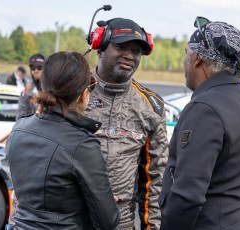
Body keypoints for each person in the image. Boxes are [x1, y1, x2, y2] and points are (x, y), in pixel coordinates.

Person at [159, 17, 240, 230]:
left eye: (186, 53)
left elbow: (187, 195)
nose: (185, 61)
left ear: (197, 58)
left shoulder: (205, 108)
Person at [5, 51, 119, 230]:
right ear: (83, 94)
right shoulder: (83, 144)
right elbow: (108, 222)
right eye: (91, 85)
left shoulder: (18, 129)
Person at [84, 18, 168, 230]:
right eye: (121, 47)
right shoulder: (73, 92)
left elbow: (155, 178)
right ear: (100, 47)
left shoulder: (151, 106)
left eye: (137, 51)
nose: (130, 56)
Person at [16, 53, 45, 120]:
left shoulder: (53, 88)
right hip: (31, 128)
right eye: (32, 67)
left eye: (39, 67)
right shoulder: (27, 90)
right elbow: (20, 117)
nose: (36, 70)